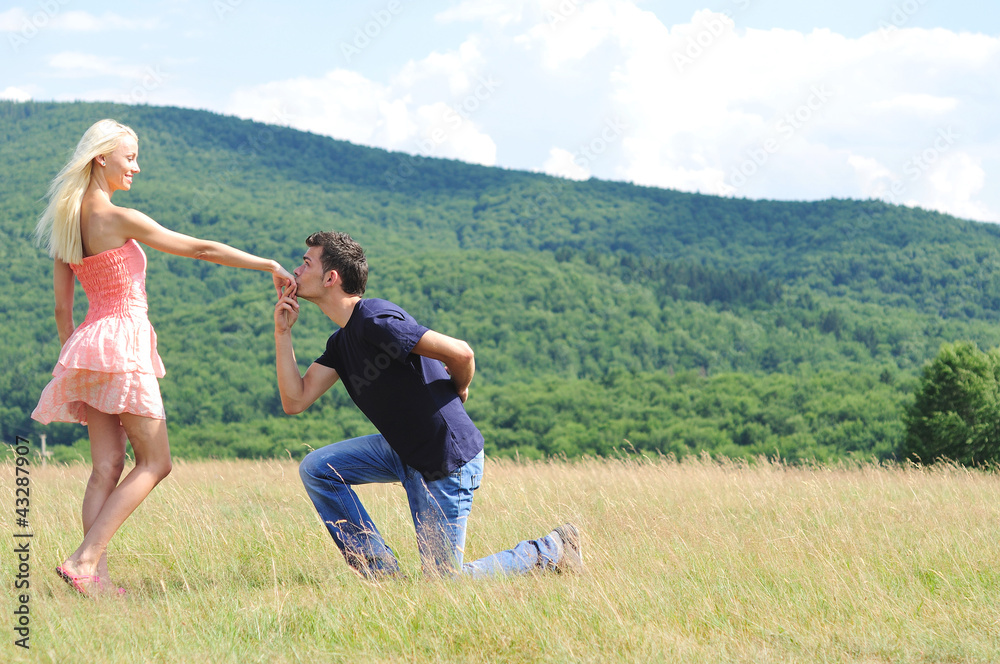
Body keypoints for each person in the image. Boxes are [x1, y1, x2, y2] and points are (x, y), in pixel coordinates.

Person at [31, 119, 296, 596]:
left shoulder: (66, 224)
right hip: (123, 343)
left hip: (87, 345)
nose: (136, 166)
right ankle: (83, 560)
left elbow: (60, 310)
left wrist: (76, 359)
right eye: (130, 157)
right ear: (101, 158)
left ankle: (94, 582)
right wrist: (268, 264)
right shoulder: (119, 217)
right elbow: (201, 249)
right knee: (156, 462)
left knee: (105, 467)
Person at [273, 231, 583, 580]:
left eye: (306, 263)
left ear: (331, 278)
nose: (296, 271)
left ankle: (552, 549)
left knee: (443, 582)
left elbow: (462, 353)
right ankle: (383, 575)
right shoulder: (341, 343)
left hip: (443, 460)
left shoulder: (374, 319)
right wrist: (283, 333)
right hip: (403, 452)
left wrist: (459, 388)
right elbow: (295, 400)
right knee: (318, 469)